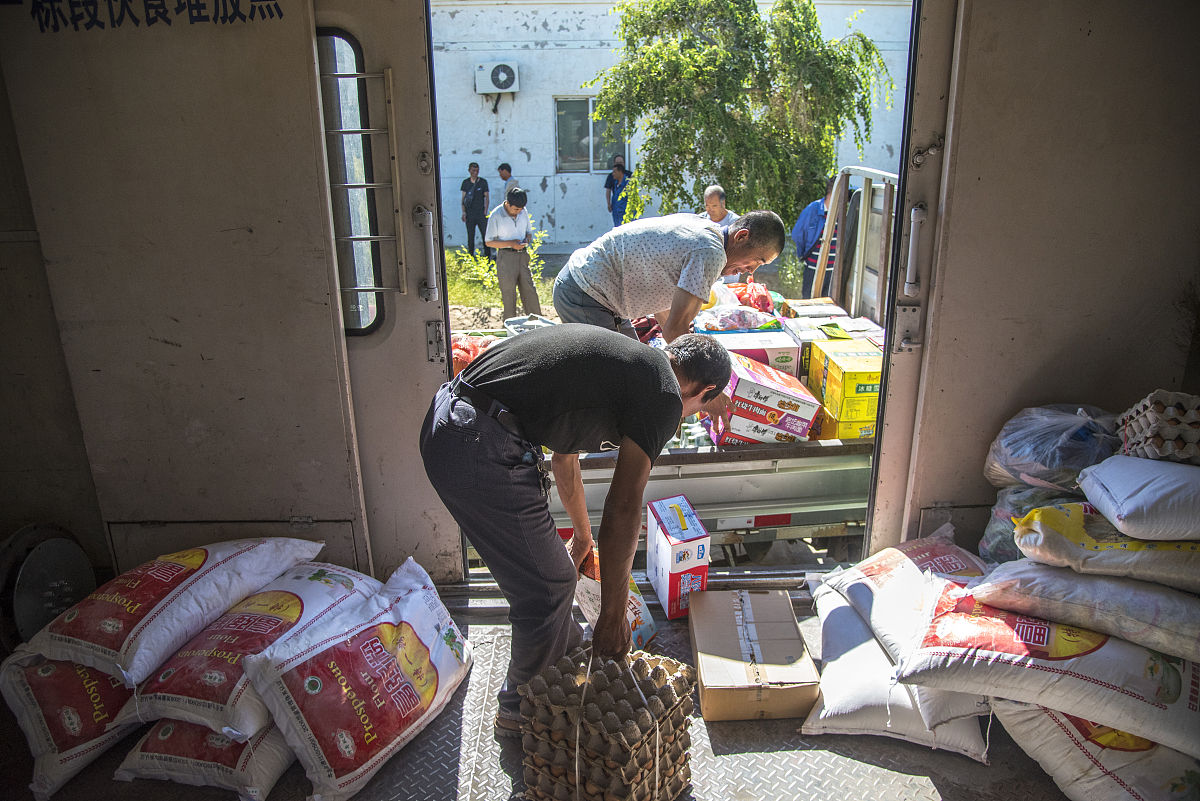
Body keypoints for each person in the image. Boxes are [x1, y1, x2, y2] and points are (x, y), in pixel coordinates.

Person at [419, 326, 731, 736]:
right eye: (702, 408)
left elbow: (565, 460)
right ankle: (521, 710)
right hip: (480, 442)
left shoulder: (626, 367)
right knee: (546, 588)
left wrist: (582, 537)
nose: (688, 416)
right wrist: (613, 616)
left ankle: (561, 664)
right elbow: (623, 508)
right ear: (705, 390)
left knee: (553, 578)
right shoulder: (663, 395)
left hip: (452, 425)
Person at [552, 210, 787, 343]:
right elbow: (675, 330)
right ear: (742, 237)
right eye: (758, 260)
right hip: (585, 292)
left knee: (635, 365)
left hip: (597, 294)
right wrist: (708, 387)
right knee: (615, 382)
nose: (751, 271)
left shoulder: (706, 230)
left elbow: (666, 311)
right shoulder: (711, 252)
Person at [485, 186, 541, 320]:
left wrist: (527, 239)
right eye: (516, 209)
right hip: (506, 258)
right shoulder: (496, 215)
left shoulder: (523, 211)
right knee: (509, 295)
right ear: (508, 203)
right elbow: (489, 242)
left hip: (522, 256)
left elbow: (529, 232)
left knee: (530, 291)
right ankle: (510, 328)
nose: (518, 212)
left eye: (521, 209)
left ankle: (538, 326)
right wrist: (511, 244)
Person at [791, 176, 839, 298]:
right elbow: (797, 234)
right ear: (832, 193)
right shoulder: (813, 209)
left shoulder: (841, 213)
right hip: (813, 268)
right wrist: (804, 254)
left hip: (832, 272)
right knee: (809, 300)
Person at [460, 162, 490, 258]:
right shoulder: (466, 183)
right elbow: (463, 199)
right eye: (473, 170)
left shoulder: (483, 182)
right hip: (470, 213)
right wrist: (463, 212)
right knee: (470, 237)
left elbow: (487, 197)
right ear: (469, 171)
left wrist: (485, 211)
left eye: (477, 170)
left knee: (485, 235)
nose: (475, 172)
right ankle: (471, 257)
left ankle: (487, 257)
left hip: (481, 213)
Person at [608, 163, 630, 228]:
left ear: (620, 172)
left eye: (614, 172)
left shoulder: (628, 184)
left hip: (625, 215)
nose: (613, 174)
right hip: (616, 214)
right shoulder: (616, 184)